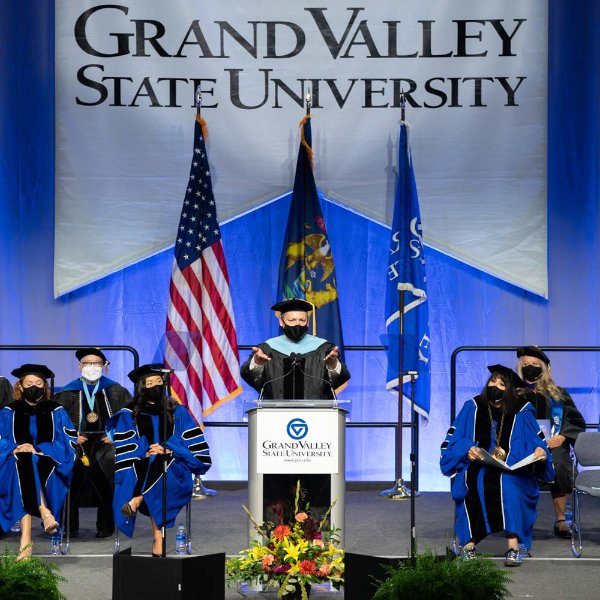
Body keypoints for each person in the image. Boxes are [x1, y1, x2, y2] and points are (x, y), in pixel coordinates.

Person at [440, 365, 554, 567]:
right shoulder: (472, 407)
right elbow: (454, 439)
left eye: (502, 384)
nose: (495, 386)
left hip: (512, 468)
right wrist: (468, 449)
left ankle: (513, 545)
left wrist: (540, 451)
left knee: (508, 484)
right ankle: (468, 545)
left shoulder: (522, 410)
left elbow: (537, 440)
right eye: (492, 381)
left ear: (510, 389)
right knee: (473, 482)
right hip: (478, 465)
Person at [106, 363, 211, 556]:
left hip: (175, 469)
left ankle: (137, 499)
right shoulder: (129, 413)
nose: (155, 385)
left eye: (158, 381)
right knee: (153, 461)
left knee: (159, 460)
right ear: (141, 386)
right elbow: (125, 446)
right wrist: (144, 452)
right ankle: (158, 536)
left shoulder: (176, 410)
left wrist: (168, 449)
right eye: (149, 382)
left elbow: (192, 445)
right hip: (140, 468)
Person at [0, 364, 76, 560]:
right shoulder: (9, 411)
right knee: (23, 460)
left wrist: (39, 449)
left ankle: (26, 539)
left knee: (27, 461)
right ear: (21, 386)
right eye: (29, 383)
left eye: (38, 383)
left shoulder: (56, 410)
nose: (34, 386)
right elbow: (1, 439)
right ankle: (44, 512)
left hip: (48, 461)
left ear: (45, 386)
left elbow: (67, 440)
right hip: (12, 460)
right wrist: (14, 447)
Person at [55, 348, 132, 538]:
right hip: (76, 442)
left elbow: (131, 418)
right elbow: (55, 421)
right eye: (87, 363)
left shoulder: (115, 390)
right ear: (80, 366)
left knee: (109, 477)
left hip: (105, 443)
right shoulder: (68, 392)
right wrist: (71, 437)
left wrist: (115, 436)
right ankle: (69, 526)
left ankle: (106, 526)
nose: (92, 367)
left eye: (96, 363)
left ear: (104, 366)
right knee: (69, 477)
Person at [516, 345, 586, 539]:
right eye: (526, 364)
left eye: (535, 364)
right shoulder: (515, 393)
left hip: (552, 445)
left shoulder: (558, 394)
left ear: (544, 367)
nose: (530, 367)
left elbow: (576, 421)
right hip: (521, 446)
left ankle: (561, 519)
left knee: (561, 464)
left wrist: (562, 437)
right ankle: (516, 520)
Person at [241, 298, 350, 399]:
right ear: (281, 322)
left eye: (302, 320)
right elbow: (252, 378)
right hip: (276, 415)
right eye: (292, 320)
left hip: (316, 415)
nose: (297, 324)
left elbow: (338, 380)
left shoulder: (324, 348)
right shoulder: (267, 349)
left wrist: (333, 366)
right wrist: (257, 363)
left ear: (308, 322)